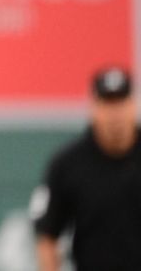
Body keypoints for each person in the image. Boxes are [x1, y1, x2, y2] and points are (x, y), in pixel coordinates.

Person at [31, 67, 141, 271]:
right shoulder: (68, 164)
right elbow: (47, 236)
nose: (115, 114)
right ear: (93, 107)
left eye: (121, 103)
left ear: (133, 105)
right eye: (107, 104)